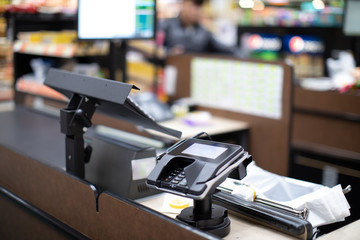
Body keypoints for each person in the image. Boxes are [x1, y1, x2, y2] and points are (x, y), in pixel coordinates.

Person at [157, 0, 236, 56]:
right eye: (194, 4)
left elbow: (224, 49)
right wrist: (168, 53)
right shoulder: (166, 26)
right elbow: (152, 49)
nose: (196, 10)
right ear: (184, 3)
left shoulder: (204, 33)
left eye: (199, 6)